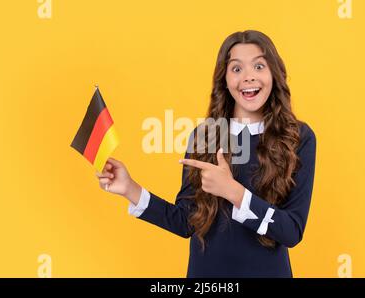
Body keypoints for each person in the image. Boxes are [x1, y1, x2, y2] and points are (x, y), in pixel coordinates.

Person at [96, 30, 317, 277]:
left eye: (258, 66)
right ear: (224, 79)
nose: (248, 77)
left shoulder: (298, 137)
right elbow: (186, 221)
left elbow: (291, 231)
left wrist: (233, 192)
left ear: (273, 74)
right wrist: (130, 188)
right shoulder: (206, 135)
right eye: (236, 69)